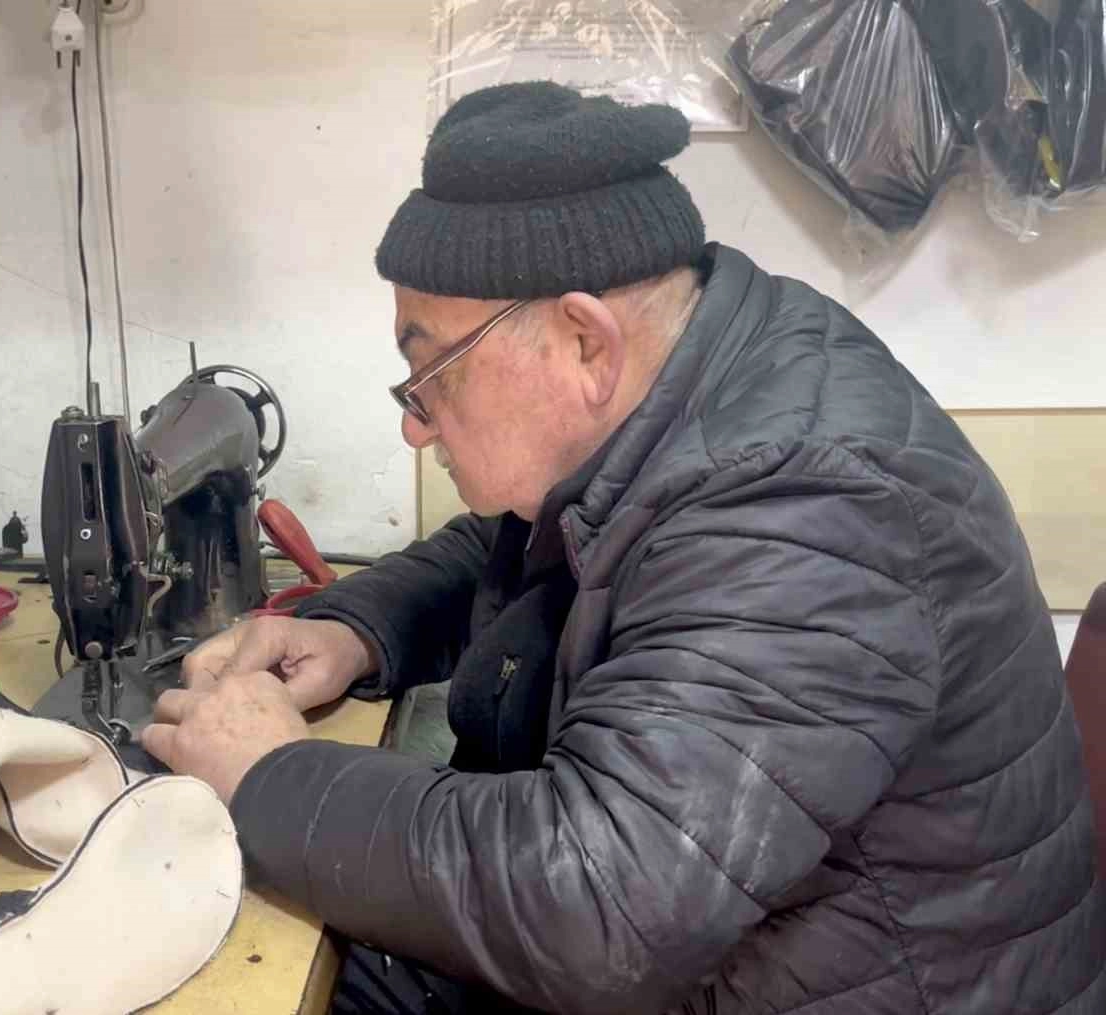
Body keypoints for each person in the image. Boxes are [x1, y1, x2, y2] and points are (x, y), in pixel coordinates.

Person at [140, 81, 1106, 1014]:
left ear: (584, 343)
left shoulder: (807, 505)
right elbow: (534, 535)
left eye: (431, 373)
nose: (416, 424)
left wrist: (271, 777)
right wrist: (356, 628)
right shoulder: (706, 385)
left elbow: (597, 907)